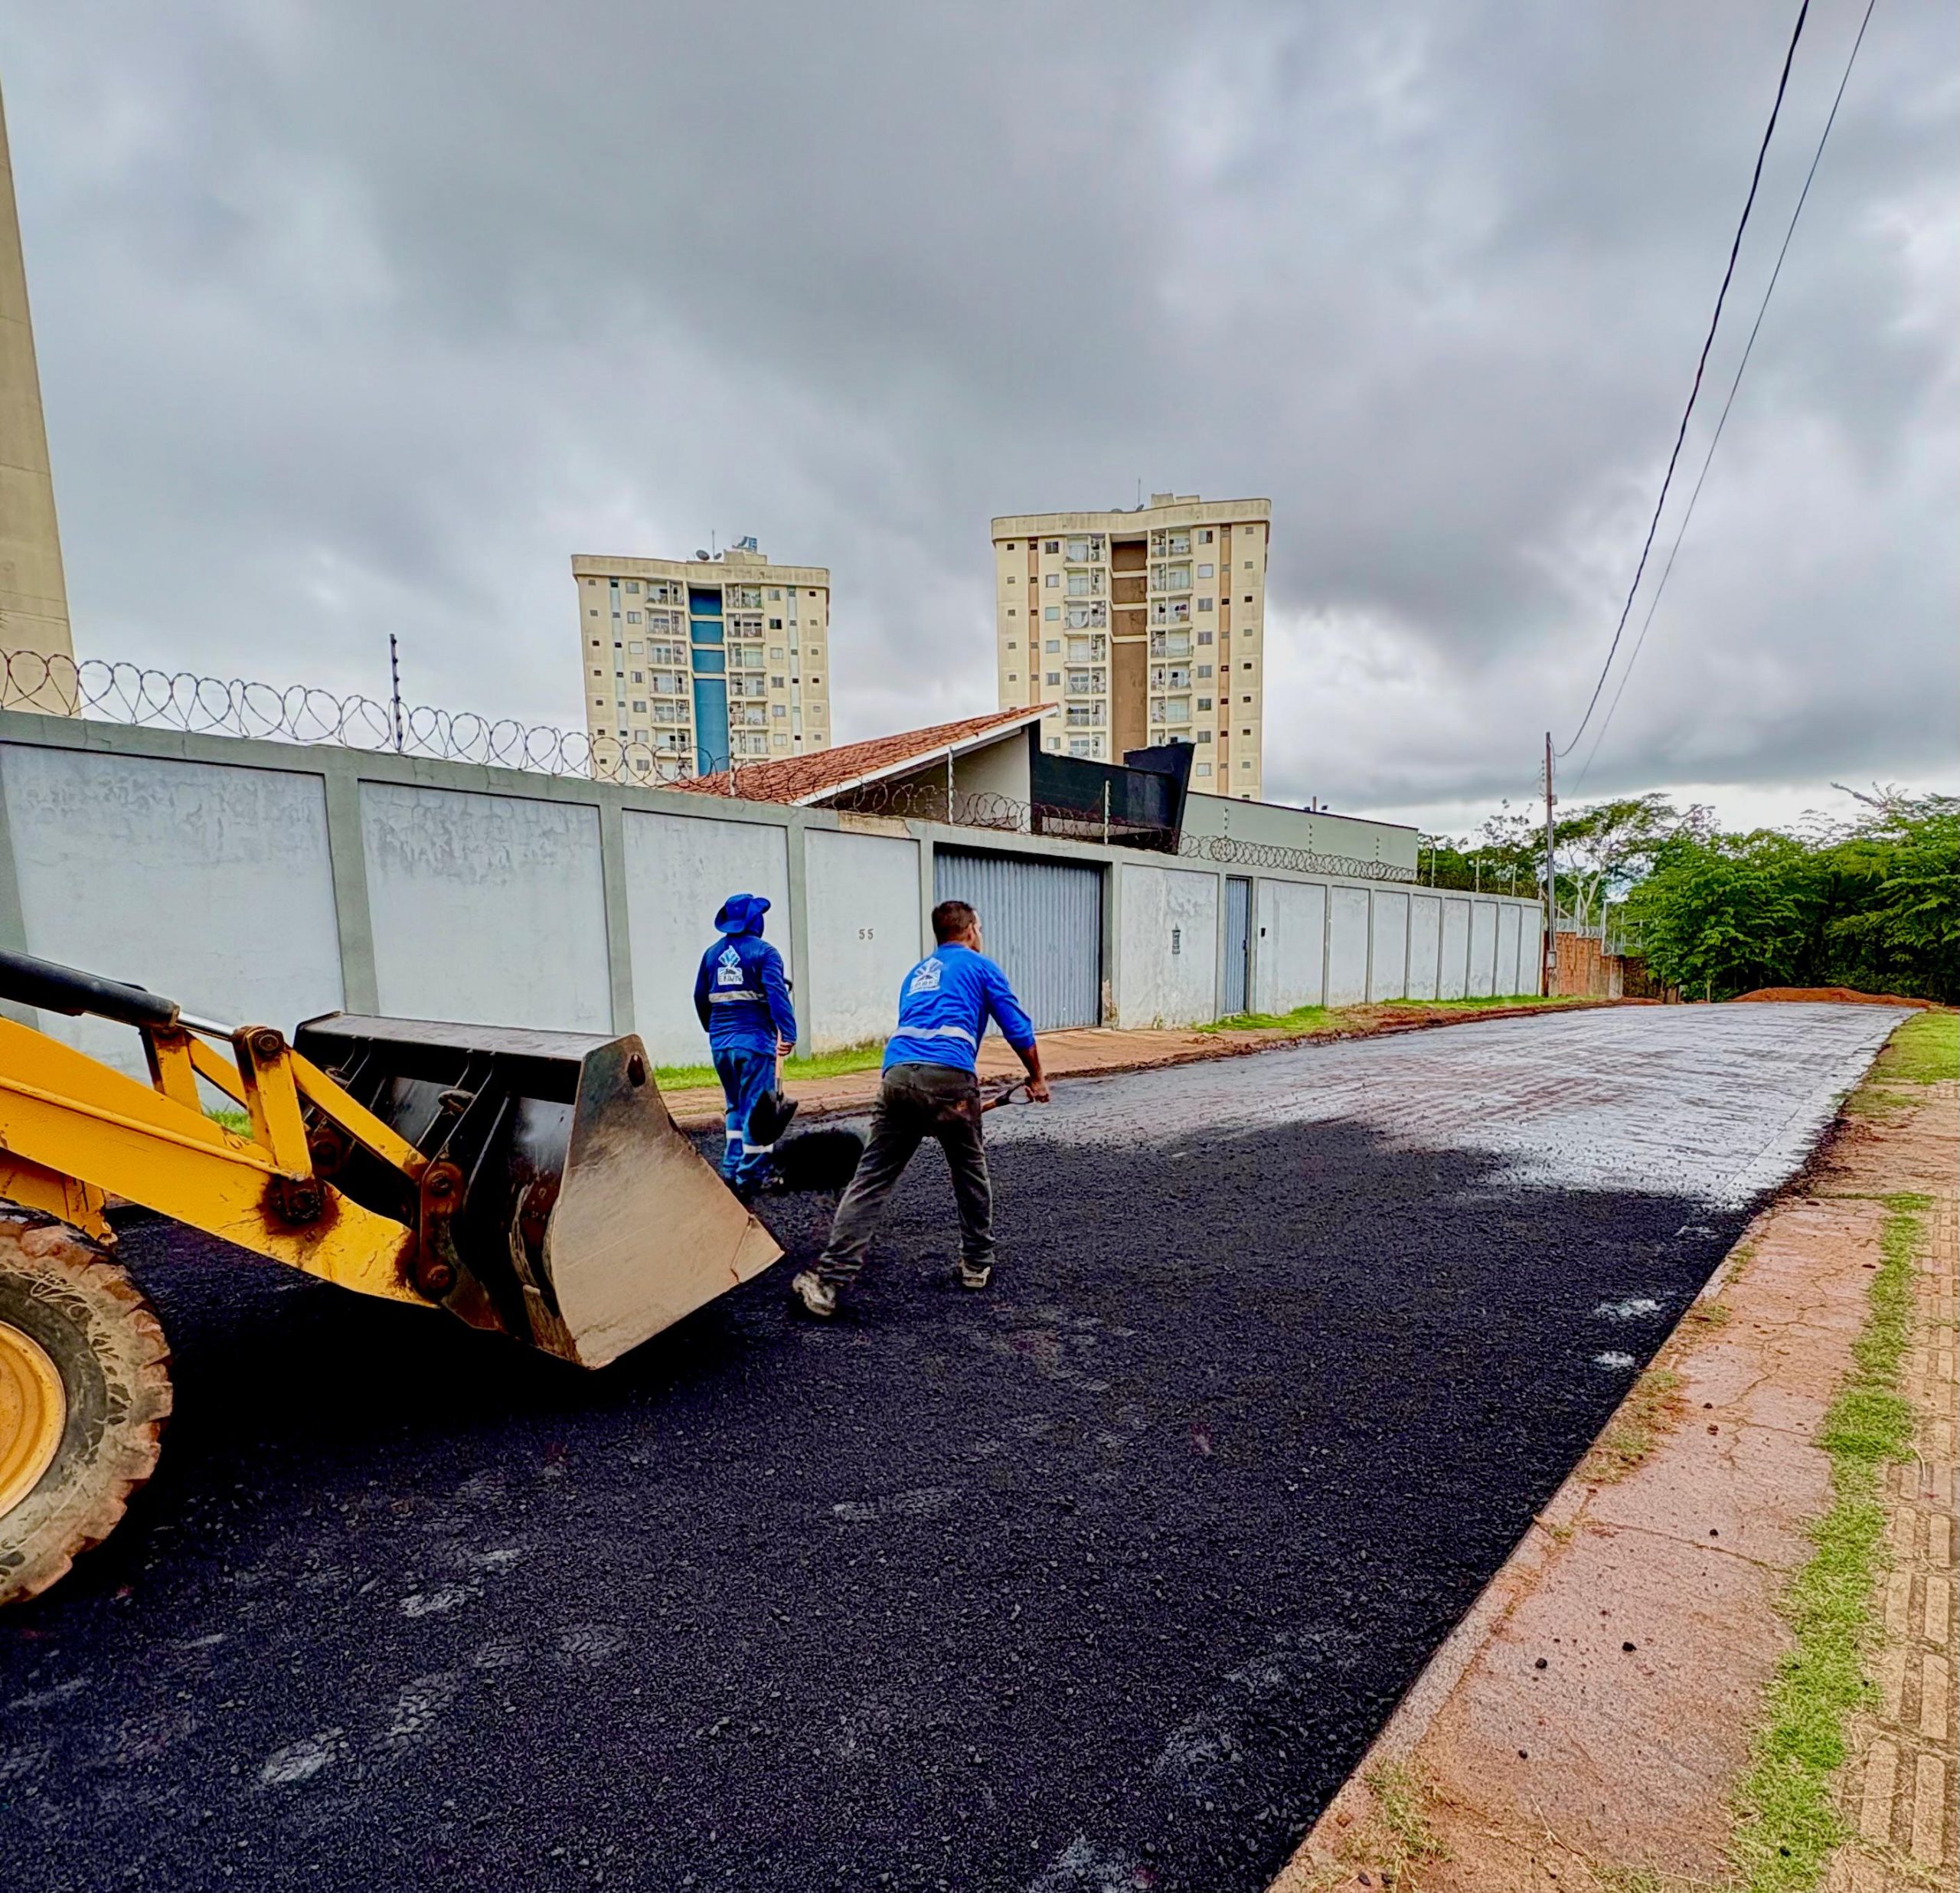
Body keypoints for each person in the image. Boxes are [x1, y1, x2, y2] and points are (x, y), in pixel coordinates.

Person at [792, 899, 1048, 1317]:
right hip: (950, 1078)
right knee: (969, 1171)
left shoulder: (917, 973)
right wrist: (1036, 1077)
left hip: (897, 1077)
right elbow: (1017, 1027)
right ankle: (977, 1264)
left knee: (871, 1179)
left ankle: (827, 1282)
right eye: (979, 929)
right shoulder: (981, 967)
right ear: (970, 930)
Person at [694, 892, 797, 1199]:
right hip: (754, 1043)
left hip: (721, 1043)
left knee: (735, 1106)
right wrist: (788, 1033)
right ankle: (751, 1173)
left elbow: (700, 998)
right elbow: (777, 996)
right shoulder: (765, 953)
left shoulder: (711, 955)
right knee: (758, 1108)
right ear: (755, 920)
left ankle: (731, 1167)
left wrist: (713, 1031)